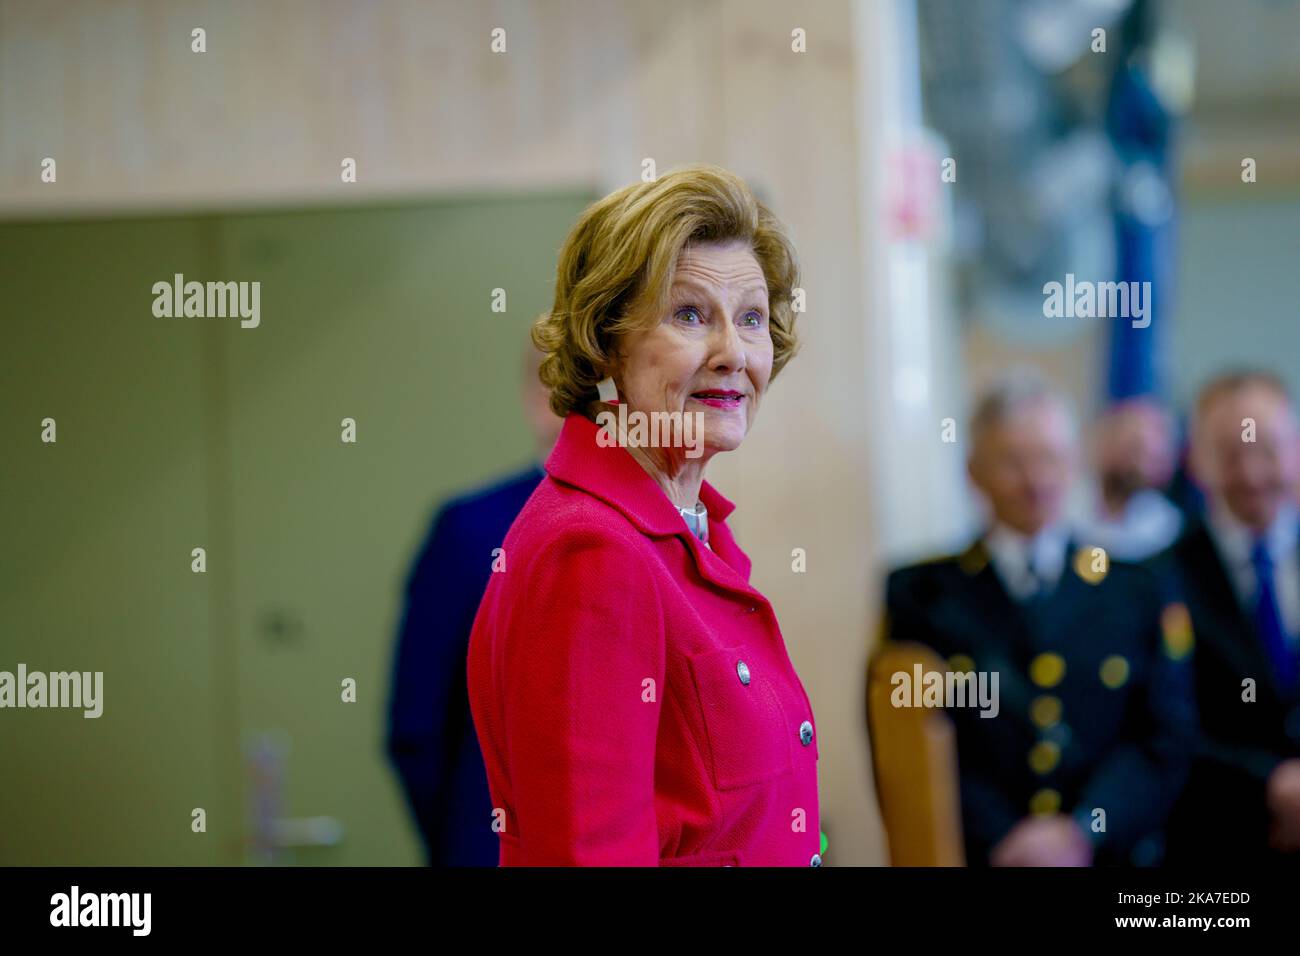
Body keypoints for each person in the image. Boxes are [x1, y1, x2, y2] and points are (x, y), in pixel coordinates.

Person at [466, 164, 821, 866]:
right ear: (605, 341)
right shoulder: (592, 552)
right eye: (690, 314)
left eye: (751, 318)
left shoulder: (690, 526)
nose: (733, 353)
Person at [880, 372, 1194, 866]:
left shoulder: (1135, 588)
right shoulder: (921, 595)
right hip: (981, 855)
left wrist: (1085, 830)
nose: (1036, 481)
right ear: (973, 472)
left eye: (1049, 458)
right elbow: (911, 742)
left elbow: (1164, 737)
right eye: (1012, 462)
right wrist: (1006, 839)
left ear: (1073, 465)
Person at [384, 346, 561, 866]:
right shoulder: (468, 531)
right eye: (565, 381)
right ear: (535, 396)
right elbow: (416, 729)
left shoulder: (671, 529)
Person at [1158, 370, 1300, 865]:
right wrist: (1273, 785)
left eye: (1267, 450)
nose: (1251, 474)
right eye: (1231, 453)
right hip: (1216, 854)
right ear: (1196, 461)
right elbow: (1163, 725)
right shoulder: (1158, 580)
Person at [1078, 397, 1183, 561]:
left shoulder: (1166, 527)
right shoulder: (1067, 507)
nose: (1135, 465)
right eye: (1131, 448)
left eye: (1145, 454)